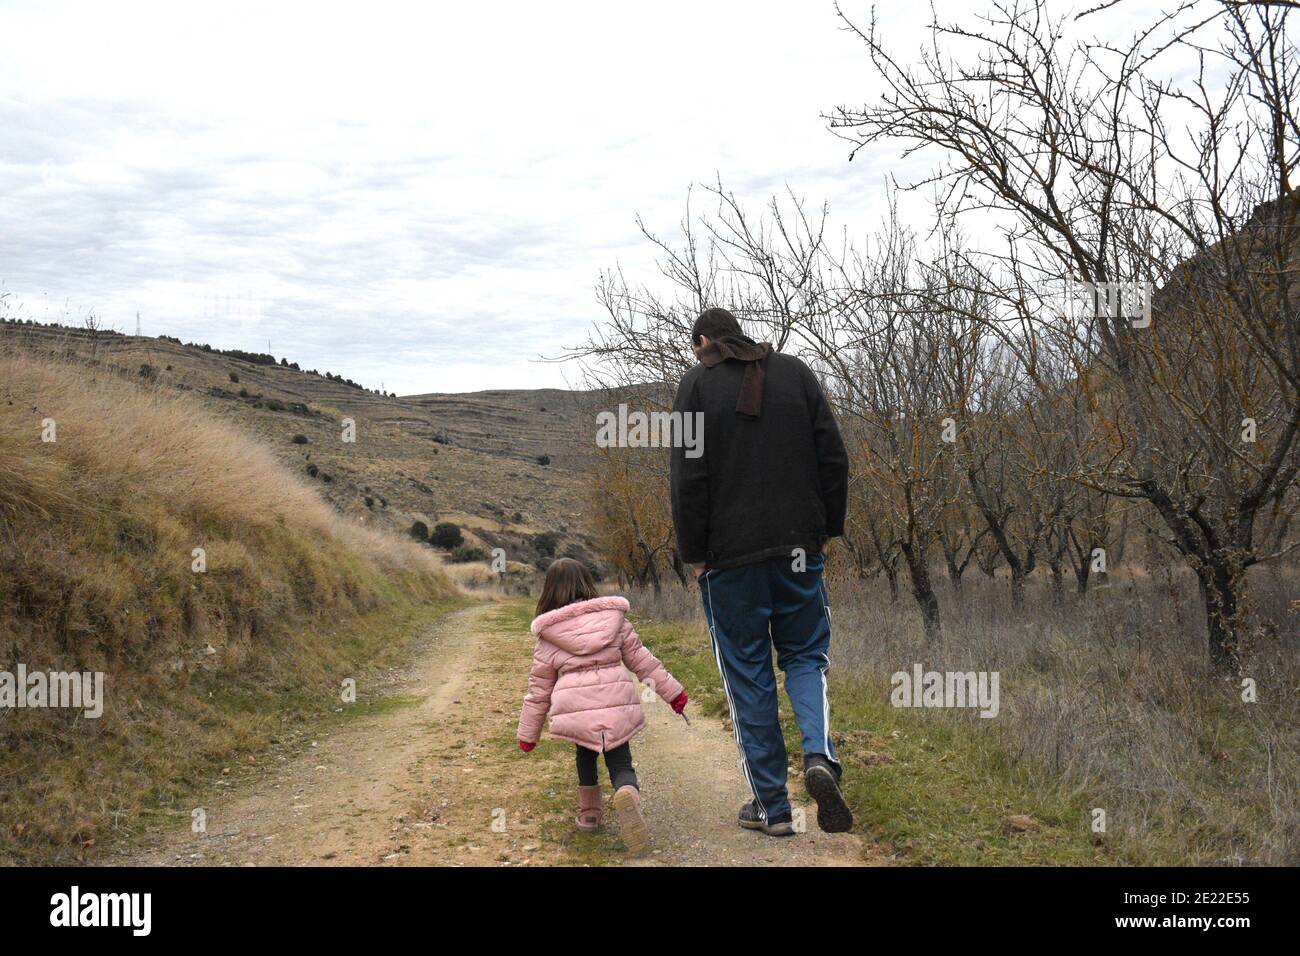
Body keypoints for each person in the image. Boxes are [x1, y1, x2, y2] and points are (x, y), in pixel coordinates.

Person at [670, 306, 852, 836]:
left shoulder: (697, 387)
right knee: (805, 657)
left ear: (703, 340)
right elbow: (834, 458)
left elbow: (688, 478)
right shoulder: (796, 372)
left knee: (748, 675)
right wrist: (824, 530)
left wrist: (695, 554)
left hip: (729, 560)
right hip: (798, 550)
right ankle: (818, 755)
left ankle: (773, 808)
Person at [517, 557, 688, 853]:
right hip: (616, 702)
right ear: (587, 584)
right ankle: (627, 796)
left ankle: (589, 814)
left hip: (576, 709)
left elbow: (538, 690)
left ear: (549, 592)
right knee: (620, 759)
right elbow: (644, 662)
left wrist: (528, 734)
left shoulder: (548, 636)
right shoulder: (615, 619)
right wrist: (674, 695)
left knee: (585, 756)